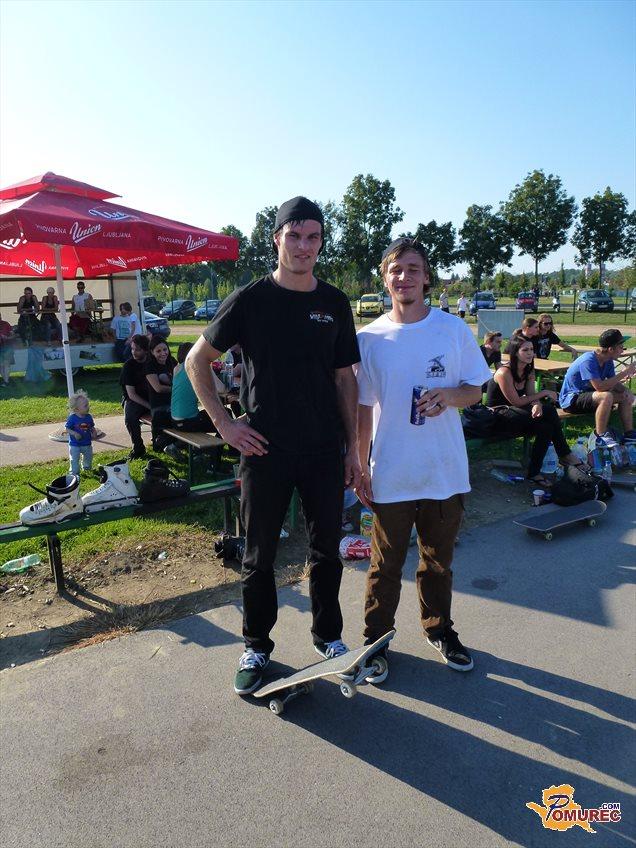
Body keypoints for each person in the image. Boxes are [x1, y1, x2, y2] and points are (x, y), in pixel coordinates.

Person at [185, 195, 362, 695]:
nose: (304, 246)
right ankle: (256, 645)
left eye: (313, 237)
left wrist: (352, 449)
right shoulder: (250, 299)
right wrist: (225, 425)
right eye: (295, 236)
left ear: (321, 242)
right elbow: (196, 361)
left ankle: (329, 638)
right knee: (259, 554)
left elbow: (345, 379)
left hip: (324, 449)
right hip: (265, 450)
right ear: (277, 239)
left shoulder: (334, 303)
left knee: (327, 550)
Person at [355, 237, 491, 675]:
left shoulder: (452, 329)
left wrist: (448, 396)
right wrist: (359, 464)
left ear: (427, 277)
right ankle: (375, 642)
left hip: (443, 470)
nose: (404, 277)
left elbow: (476, 389)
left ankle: (439, 630)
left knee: (437, 562)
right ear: (384, 279)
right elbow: (362, 409)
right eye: (395, 270)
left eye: (413, 269)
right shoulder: (368, 338)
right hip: (391, 470)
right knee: (385, 565)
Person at [486, 336, 586, 486]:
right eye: (525, 350)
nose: (530, 353)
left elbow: (531, 395)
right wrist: (544, 393)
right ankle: (565, 454)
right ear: (515, 353)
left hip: (516, 415)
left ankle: (534, 473)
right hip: (497, 418)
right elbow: (516, 401)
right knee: (550, 411)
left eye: (532, 349)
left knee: (546, 427)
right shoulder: (503, 373)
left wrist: (537, 404)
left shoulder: (528, 370)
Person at [559, 329, 636, 447]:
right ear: (610, 349)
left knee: (625, 396)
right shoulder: (588, 360)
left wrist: (626, 391)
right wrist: (624, 372)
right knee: (606, 396)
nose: (622, 350)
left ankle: (629, 435)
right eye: (621, 347)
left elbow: (614, 383)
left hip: (591, 397)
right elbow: (599, 387)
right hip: (571, 400)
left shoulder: (608, 361)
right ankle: (600, 436)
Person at [171, 342, 224, 432]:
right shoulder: (200, 366)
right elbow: (221, 389)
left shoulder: (177, 369)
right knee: (225, 415)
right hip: (189, 422)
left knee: (215, 413)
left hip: (175, 421)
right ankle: (220, 441)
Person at [121, 334, 152, 459]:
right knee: (130, 417)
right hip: (134, 399)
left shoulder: (152, 362)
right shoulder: (128, 366)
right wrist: (149, 405)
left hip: (152, 396)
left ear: (146, 350)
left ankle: (163, 442)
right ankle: (138, 448)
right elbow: (131, 394)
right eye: (132, 348)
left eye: (137, 349)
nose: (133, 352)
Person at [145, 335, 176, 450]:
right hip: (159, 404)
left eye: (165, 349)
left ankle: (175, 444)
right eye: (158, 351)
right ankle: (161, 442)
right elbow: (158, 388)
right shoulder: (149, 366)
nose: (163, 353)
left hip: (174, 402)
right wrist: (176, 389)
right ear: (152, 352)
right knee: (165, 419)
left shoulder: (172, 361)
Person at [65, 390, 97, 476]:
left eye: (88, 404)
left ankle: (87, 468)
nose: (88, 407)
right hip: (75, 444)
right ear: (76, 409)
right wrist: (75, 433)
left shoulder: (89, 417)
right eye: (85, 406)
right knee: (74, 459)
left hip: (86, 443)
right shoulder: (72, 418)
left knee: (88, 457)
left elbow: (91, 427)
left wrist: (94, 432)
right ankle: (74, 473)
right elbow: (67, 429)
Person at [0, 313, 16, 386]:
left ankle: (6, 381)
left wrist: (7, 338)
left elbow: (13, 335)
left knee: (6, 364)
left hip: (7, 346)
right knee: (1, 366)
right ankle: (5, 381)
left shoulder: (6, 324)